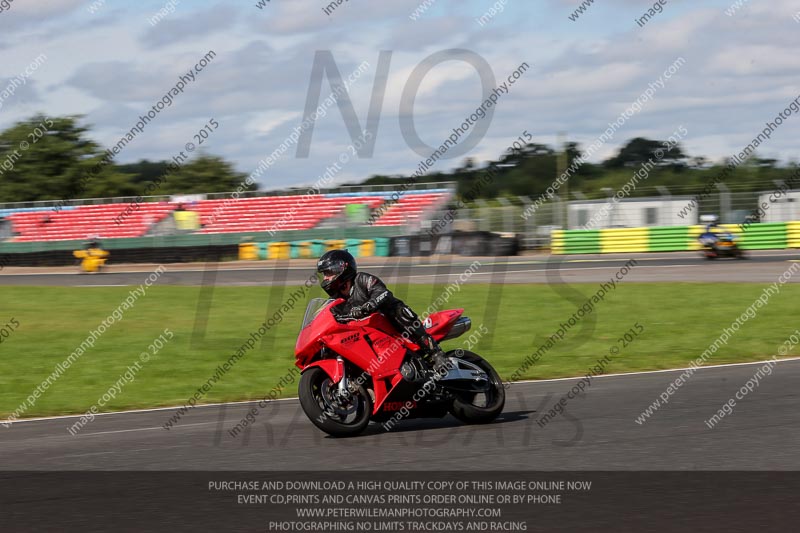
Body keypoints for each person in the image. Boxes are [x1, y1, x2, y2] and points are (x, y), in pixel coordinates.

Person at [316, 249, 449, 373]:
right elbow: (329, 316)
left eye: (328, 273)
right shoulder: (336, 298)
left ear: (342, 268)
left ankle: (437, 355)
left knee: (400, 313)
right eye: (324, 275)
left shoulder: (362, 279)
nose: (325, 279)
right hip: (367, 332)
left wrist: (367, 307)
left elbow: (383, 293)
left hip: (388, 319)